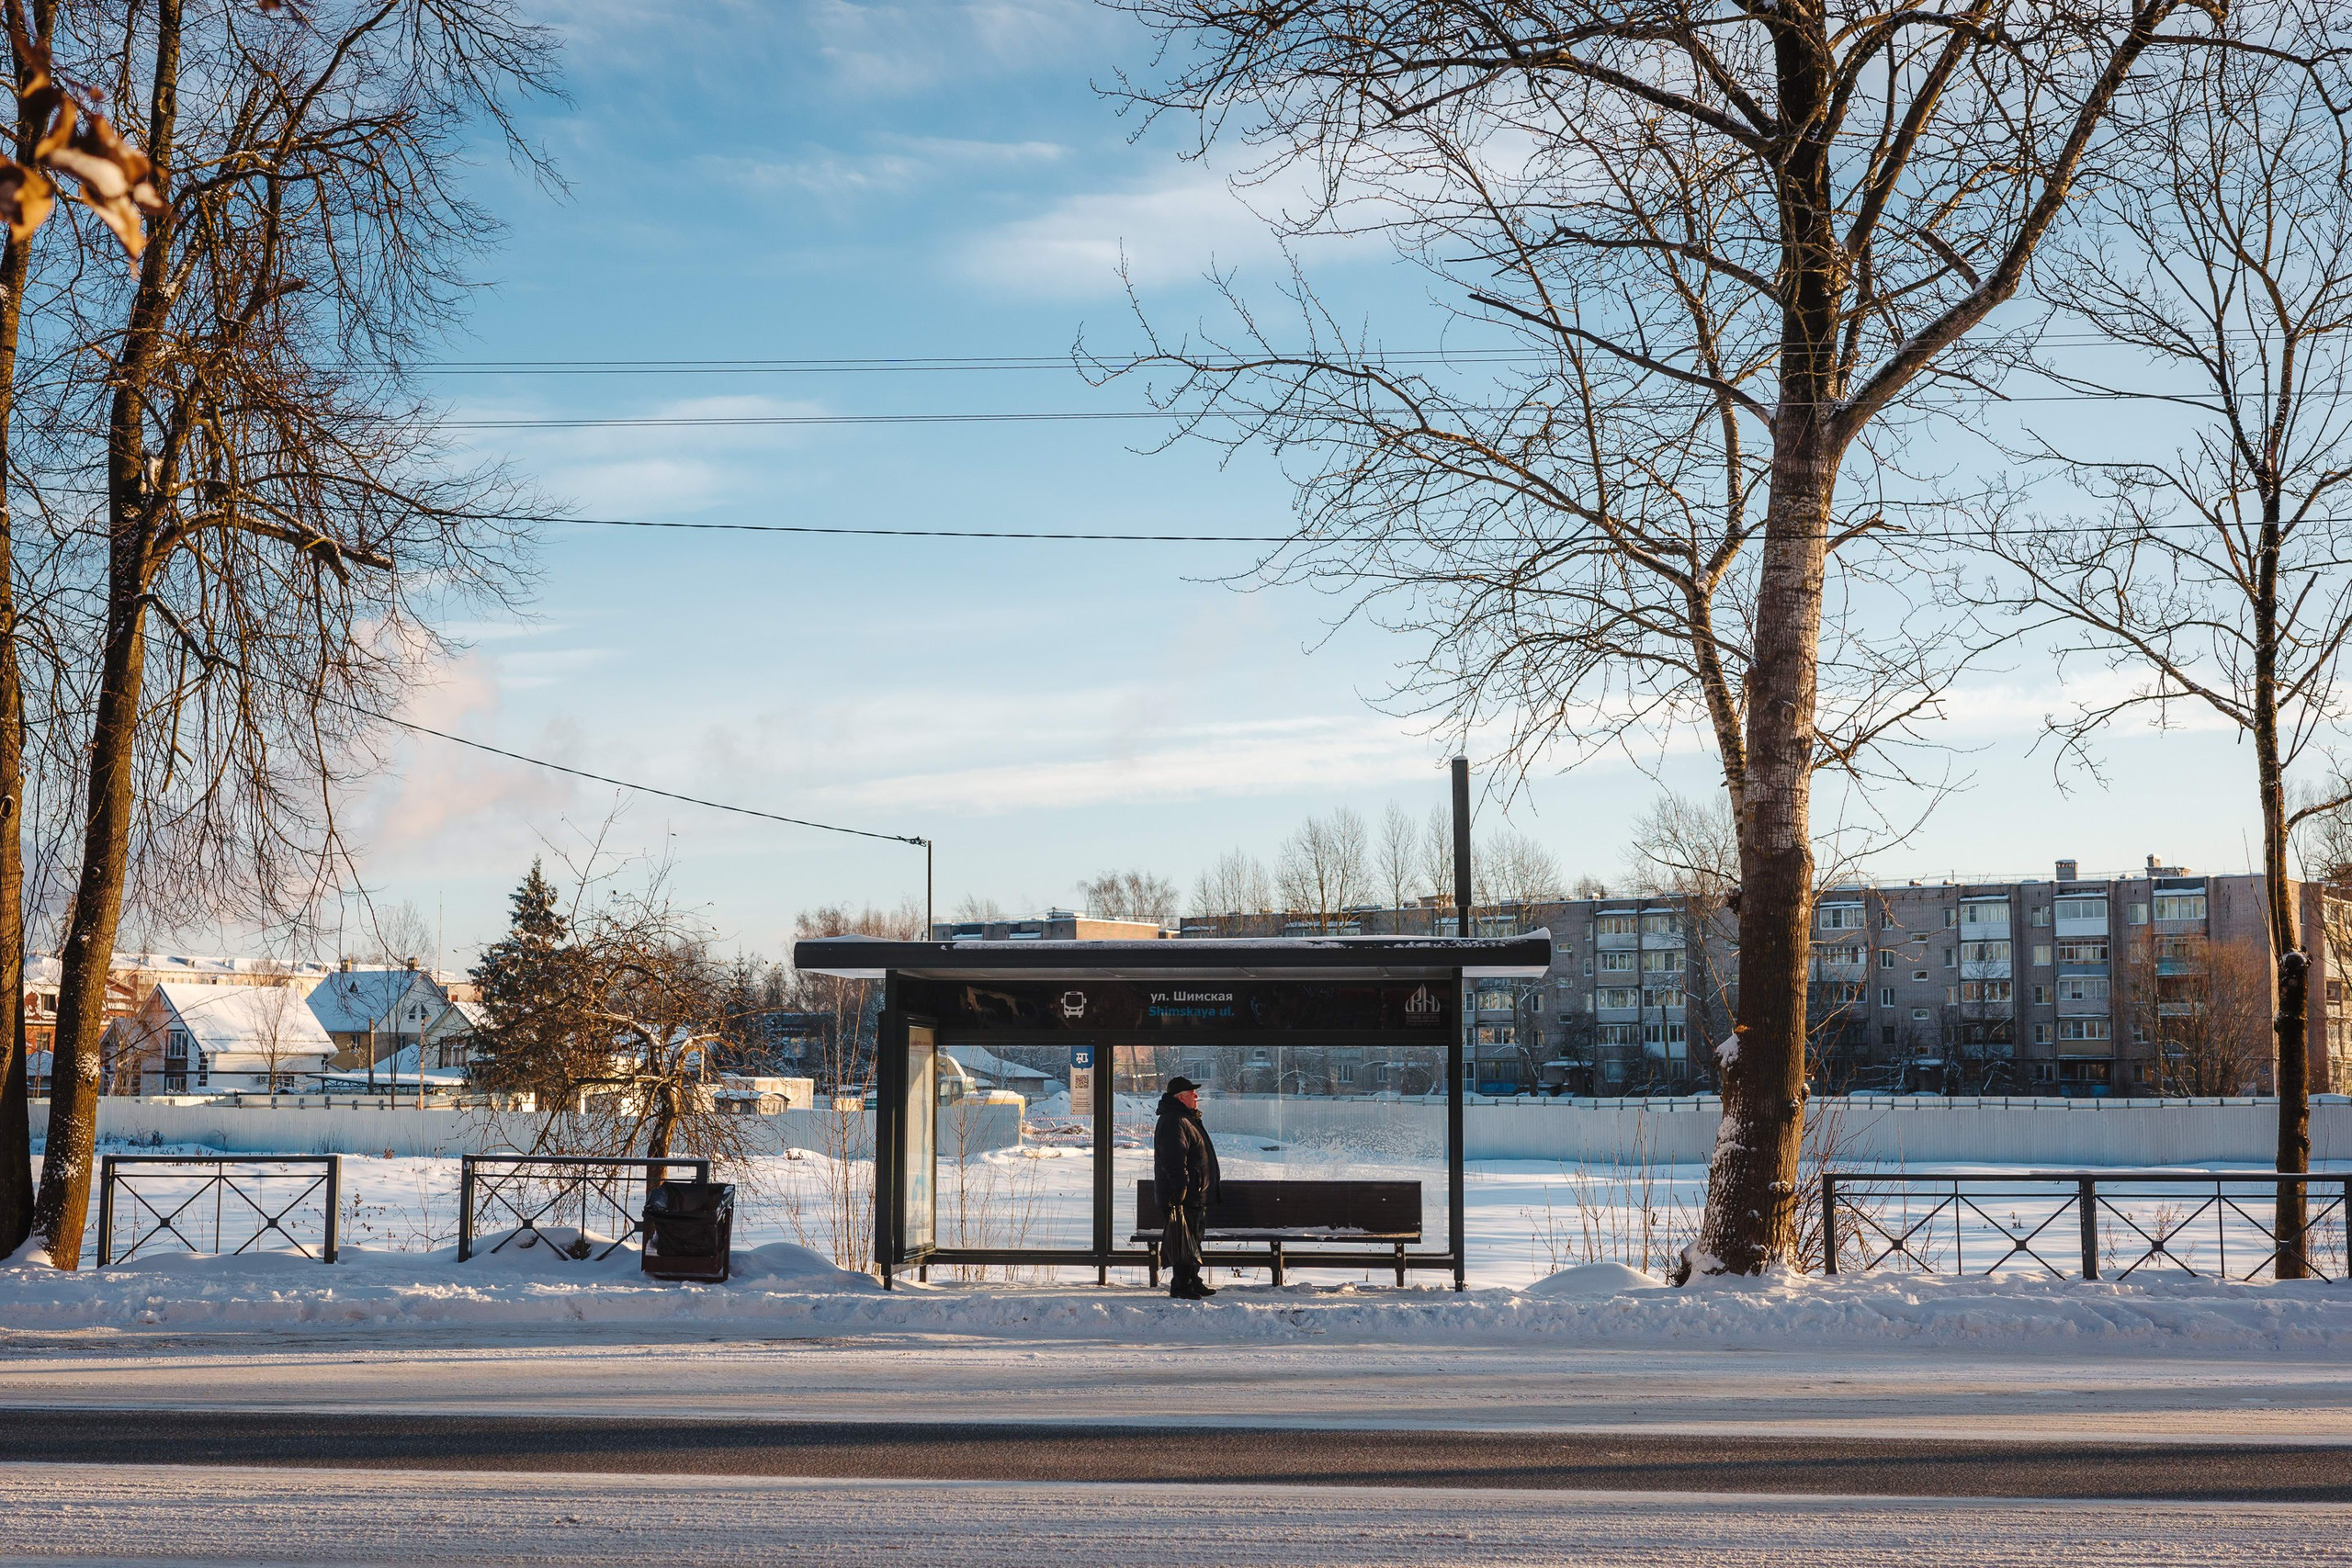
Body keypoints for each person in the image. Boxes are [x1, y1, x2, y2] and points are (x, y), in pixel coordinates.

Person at [1153, 1074, 1221, 1300]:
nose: (1196, 1097)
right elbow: (1174, 1159)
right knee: (1184, 1239)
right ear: (1180, 1097)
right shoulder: (1175, 1121)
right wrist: (1180, 1189)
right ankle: (1181, 1286)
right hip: (1185, 1194)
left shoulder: (1184, 1118)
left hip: (1194, 1193)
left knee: (1193, 1239)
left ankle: (1192, 1280)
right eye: (1192, 1093)